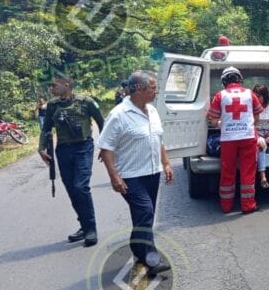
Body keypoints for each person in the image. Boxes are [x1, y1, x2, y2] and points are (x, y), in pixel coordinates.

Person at [98, 71, 174, 275]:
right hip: (130, 176)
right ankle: (150, 258)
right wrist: (114, 176)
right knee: (145, 212)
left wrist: (166, 163)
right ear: (139, 89)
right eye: (153, 88)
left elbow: (159, 139)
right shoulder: (119, 115)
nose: (156, 92)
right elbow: (106, 148)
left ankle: (139, 250)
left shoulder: (153, 111)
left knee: (144, 216)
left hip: (152, 172)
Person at [38, 75, 104, 246]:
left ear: (66, 85)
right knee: (72, 190)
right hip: (63, 150)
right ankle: (84, 226)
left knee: (80, 186)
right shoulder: (53, 105)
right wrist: (41, 148)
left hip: (83, 147)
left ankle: (91, 229)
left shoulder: (86, 102)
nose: (51, 88)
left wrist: (105, 147)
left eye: (54, 85)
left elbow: (102, 123)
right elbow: (46, 129)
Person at [207, 67, 263, 213]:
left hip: (228, 139)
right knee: (248, 171)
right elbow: (257, 117)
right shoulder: (250, 94)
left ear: (224, 81)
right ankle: (248, 205)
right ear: (239, 79)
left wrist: (223, 124)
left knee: (227, 171)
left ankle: (226, 206)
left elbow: (213, 120)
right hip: (248, 137)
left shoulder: (220, 95)